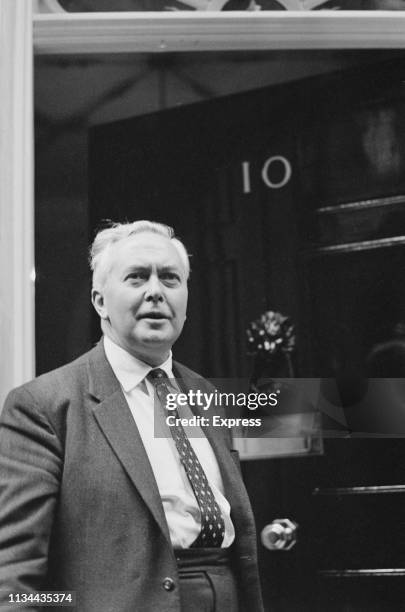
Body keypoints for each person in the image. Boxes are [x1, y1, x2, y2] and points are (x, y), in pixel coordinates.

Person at [0, 220, 264, 612]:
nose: (156, 292)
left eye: (170, 279)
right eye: (137, 277)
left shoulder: (206, 395)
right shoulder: (45, 406)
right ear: (100, 301)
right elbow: (15, 579)